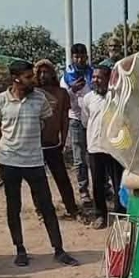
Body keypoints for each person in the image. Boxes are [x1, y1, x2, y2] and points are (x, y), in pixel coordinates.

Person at [0, 60, 80, 267]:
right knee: (14, 207)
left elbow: (46, 121)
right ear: (16, 78)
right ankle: (20, 250)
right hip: (10, 161)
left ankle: (59, 250)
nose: (33, 80)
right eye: (28, 77)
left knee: (47, 206)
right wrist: (12, 139)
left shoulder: (40, 99)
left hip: (35, 161)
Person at [82, 64, 126, 229]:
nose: (95, 80)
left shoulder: (118, 98)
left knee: (118, 182)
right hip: (95, 147)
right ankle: (100, 215)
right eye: (94, 77)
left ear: (109, 79)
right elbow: (85, 120)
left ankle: (121, 214)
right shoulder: (88, 98)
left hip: (114, 147)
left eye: (99, 77)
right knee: (97, 184)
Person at [34, 59, 79, 219]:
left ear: (52, 74)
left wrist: (63, 140)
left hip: (53, 143)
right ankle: (41, 210)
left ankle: (71, 208)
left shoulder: (61, 93)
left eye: (46, 72)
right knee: (37, 180)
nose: (43, 75)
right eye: (40, 72)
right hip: (35, 144)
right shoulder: (32, 94)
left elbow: (64, 119)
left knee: (61, 178)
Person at [61, 43, 92, 204]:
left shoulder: (93, 74)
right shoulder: (66, 77)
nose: (79, 59)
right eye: (76, 57)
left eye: (82, 56)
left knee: (97, 155)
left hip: (93, 120)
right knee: (79, 158)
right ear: (72, 58)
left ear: (86, 56)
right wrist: (72, 89)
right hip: (76, 120)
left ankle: (104, 188)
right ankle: (83, 190)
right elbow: (63, 99)